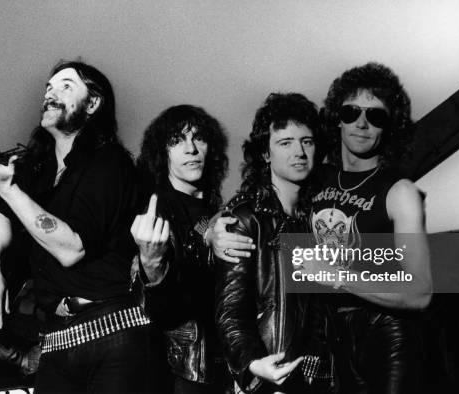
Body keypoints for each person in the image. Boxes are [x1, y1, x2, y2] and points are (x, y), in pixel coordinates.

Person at [0, 60, 163, 393]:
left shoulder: (110, 163)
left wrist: (8, 189)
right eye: (48, 87)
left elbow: (71, 249)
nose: (50, 94)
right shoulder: (34, 169)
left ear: (93, 104)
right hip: (56, 338)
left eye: (66, 86)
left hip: (111, 334)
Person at [306, 62, 432, 393]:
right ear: (337, 117)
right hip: (328, 338)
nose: (361, 123)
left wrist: (337, 276)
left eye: (376, 116)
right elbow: (258, 201)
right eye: (351, 112)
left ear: (389, 127)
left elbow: (419, 292)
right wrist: (214, 228)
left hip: (385, 337)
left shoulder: (399, 190)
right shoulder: (314, 179)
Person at [214, 93, 336, 394]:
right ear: (266, 154)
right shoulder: (246, 219)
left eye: (307, 141)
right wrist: (254, 364)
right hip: (271, 376)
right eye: (286, 143)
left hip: (318, 379)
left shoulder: (319, 217)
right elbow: (230, 309)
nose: (300, 152)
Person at [131, 105, 230, 393]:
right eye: (177, 141)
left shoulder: (214, 209)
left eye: (199, 138)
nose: (191, 149)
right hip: (180, 368)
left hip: (219, 361)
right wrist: (152, 263)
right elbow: (162, 309)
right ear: (163, 153)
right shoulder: (158, 209)